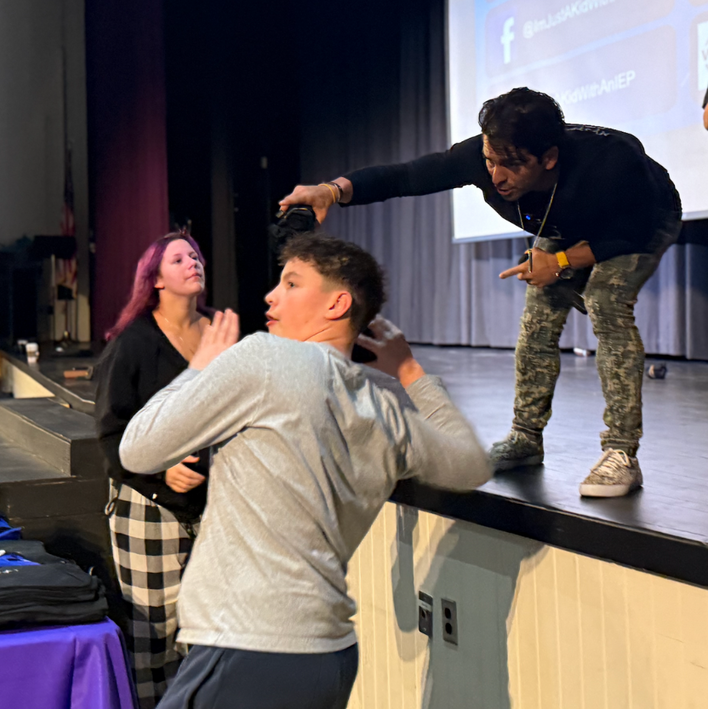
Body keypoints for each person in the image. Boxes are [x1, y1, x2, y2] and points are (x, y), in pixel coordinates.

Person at [118, 234, 491, 709]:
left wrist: (199, 367)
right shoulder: (385, 408)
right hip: (329, 658)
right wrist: (412, 373)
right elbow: (472, 463)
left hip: (250, 647)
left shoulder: (266, 359)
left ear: (338, 303)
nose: (271, 295)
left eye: (291, 283)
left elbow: (137, 449)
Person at [280, 87, 682, 498]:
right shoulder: (482, 157)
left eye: (511, 166)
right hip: (566, 225)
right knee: (539, 314)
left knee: (605, 301)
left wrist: (560, 263)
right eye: (490, 161)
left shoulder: (612, 164)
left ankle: (621, 452)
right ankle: (525, 439)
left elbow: (632, 232)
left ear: (549, 158)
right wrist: (331, 190)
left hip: (640, 222)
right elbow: (407, 176)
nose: (496, 176)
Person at [95, 229, 212, 709]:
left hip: (213, 507)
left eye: (196, 255)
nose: (193, 262)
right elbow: (110, 433)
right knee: (154, 638)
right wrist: (160, 475)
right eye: (179, 258)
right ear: (156, 279)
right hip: (148, 506)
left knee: (208, 633)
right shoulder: (136, 341)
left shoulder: (220, 334)